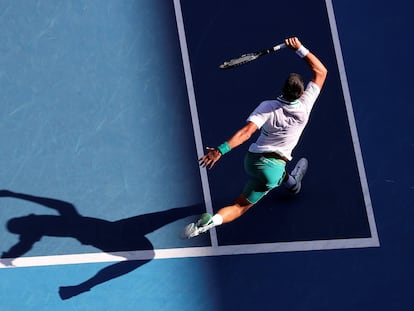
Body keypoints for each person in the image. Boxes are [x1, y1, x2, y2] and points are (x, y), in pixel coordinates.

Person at [182, 37, 328, 238]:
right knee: (240, 205)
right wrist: (299, 48)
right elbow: (321, 71)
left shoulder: (267, 107)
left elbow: (246, 133)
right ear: (301, 93)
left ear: (283, 90)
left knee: (278, 174)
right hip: (272, 169)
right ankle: (211, 223)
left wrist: (220, 150)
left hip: (252, 161)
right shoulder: (305, 106)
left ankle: (292, 184)